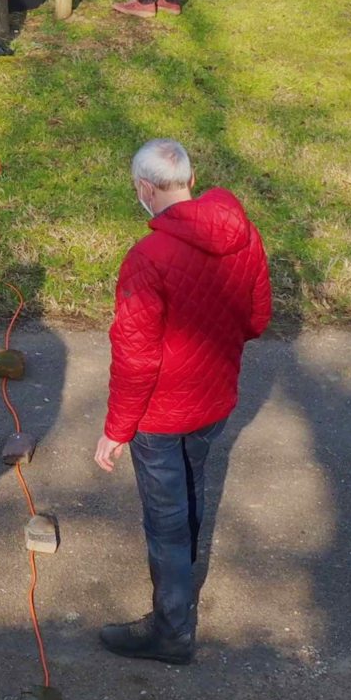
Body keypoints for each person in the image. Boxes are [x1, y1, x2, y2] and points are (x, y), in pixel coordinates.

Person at [92, 139, 271, 665]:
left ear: (145, 189)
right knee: (191, 491)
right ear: (190, 181)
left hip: (161, 415)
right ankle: (179, 592)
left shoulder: (148, 257)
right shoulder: (244, 233)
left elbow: (135, 357)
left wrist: (117, 429)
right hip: (215, 399)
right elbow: (257, 319)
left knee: (166, 519)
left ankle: (172, 630)